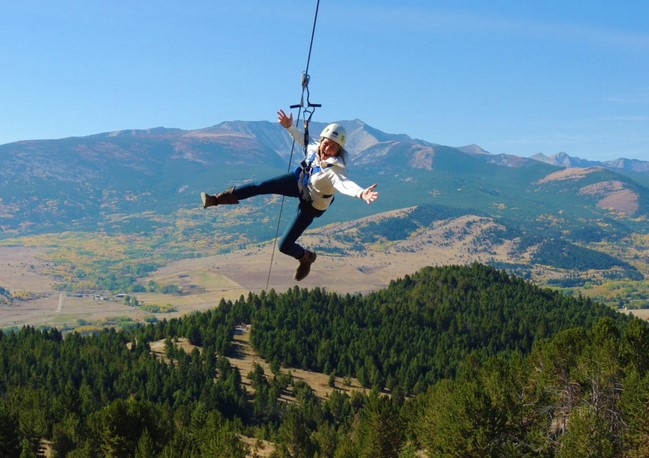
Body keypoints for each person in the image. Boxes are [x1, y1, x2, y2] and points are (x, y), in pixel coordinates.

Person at [201, 109, 379, 281]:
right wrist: (289, 127)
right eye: (326, 143)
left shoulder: (335, 171)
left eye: (333, 147)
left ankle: (306, 257)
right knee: (261, 185)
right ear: (322, 140)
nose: (327, 148)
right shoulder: (315, 148)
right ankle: (216, 199)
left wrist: (362, 193)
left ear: (339, 150)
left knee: (284, 245)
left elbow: (345, 184)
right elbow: (303, 139)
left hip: (312, 203)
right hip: (300, 182)